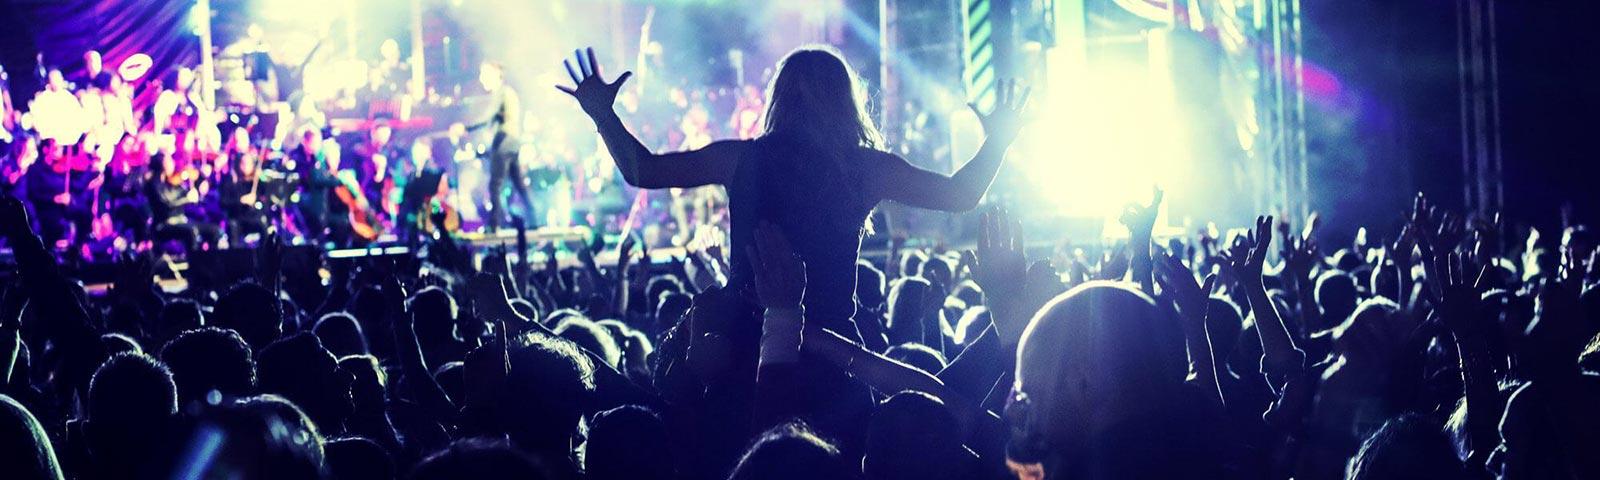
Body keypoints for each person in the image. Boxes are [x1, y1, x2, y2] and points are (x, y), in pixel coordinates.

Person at [558, 46, 1028, 339]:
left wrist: (603, 115)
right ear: (845, 101)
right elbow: (960, 195)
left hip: (747, 343)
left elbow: (643, 170)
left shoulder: (741, 158)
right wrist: (998, 142)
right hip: (833, 346)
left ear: (778, 98)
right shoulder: (865, 168)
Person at [473, 62, 533, 232]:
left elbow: (488, 117)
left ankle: (495, 224)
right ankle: (534, 219)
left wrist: (466, 127)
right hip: (512, 142)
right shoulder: (508, 93)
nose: (481, 79)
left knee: (495, 185)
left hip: (504, 141)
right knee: (519, 185)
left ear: (494, 74)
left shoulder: (502, 92)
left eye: (483, 74)